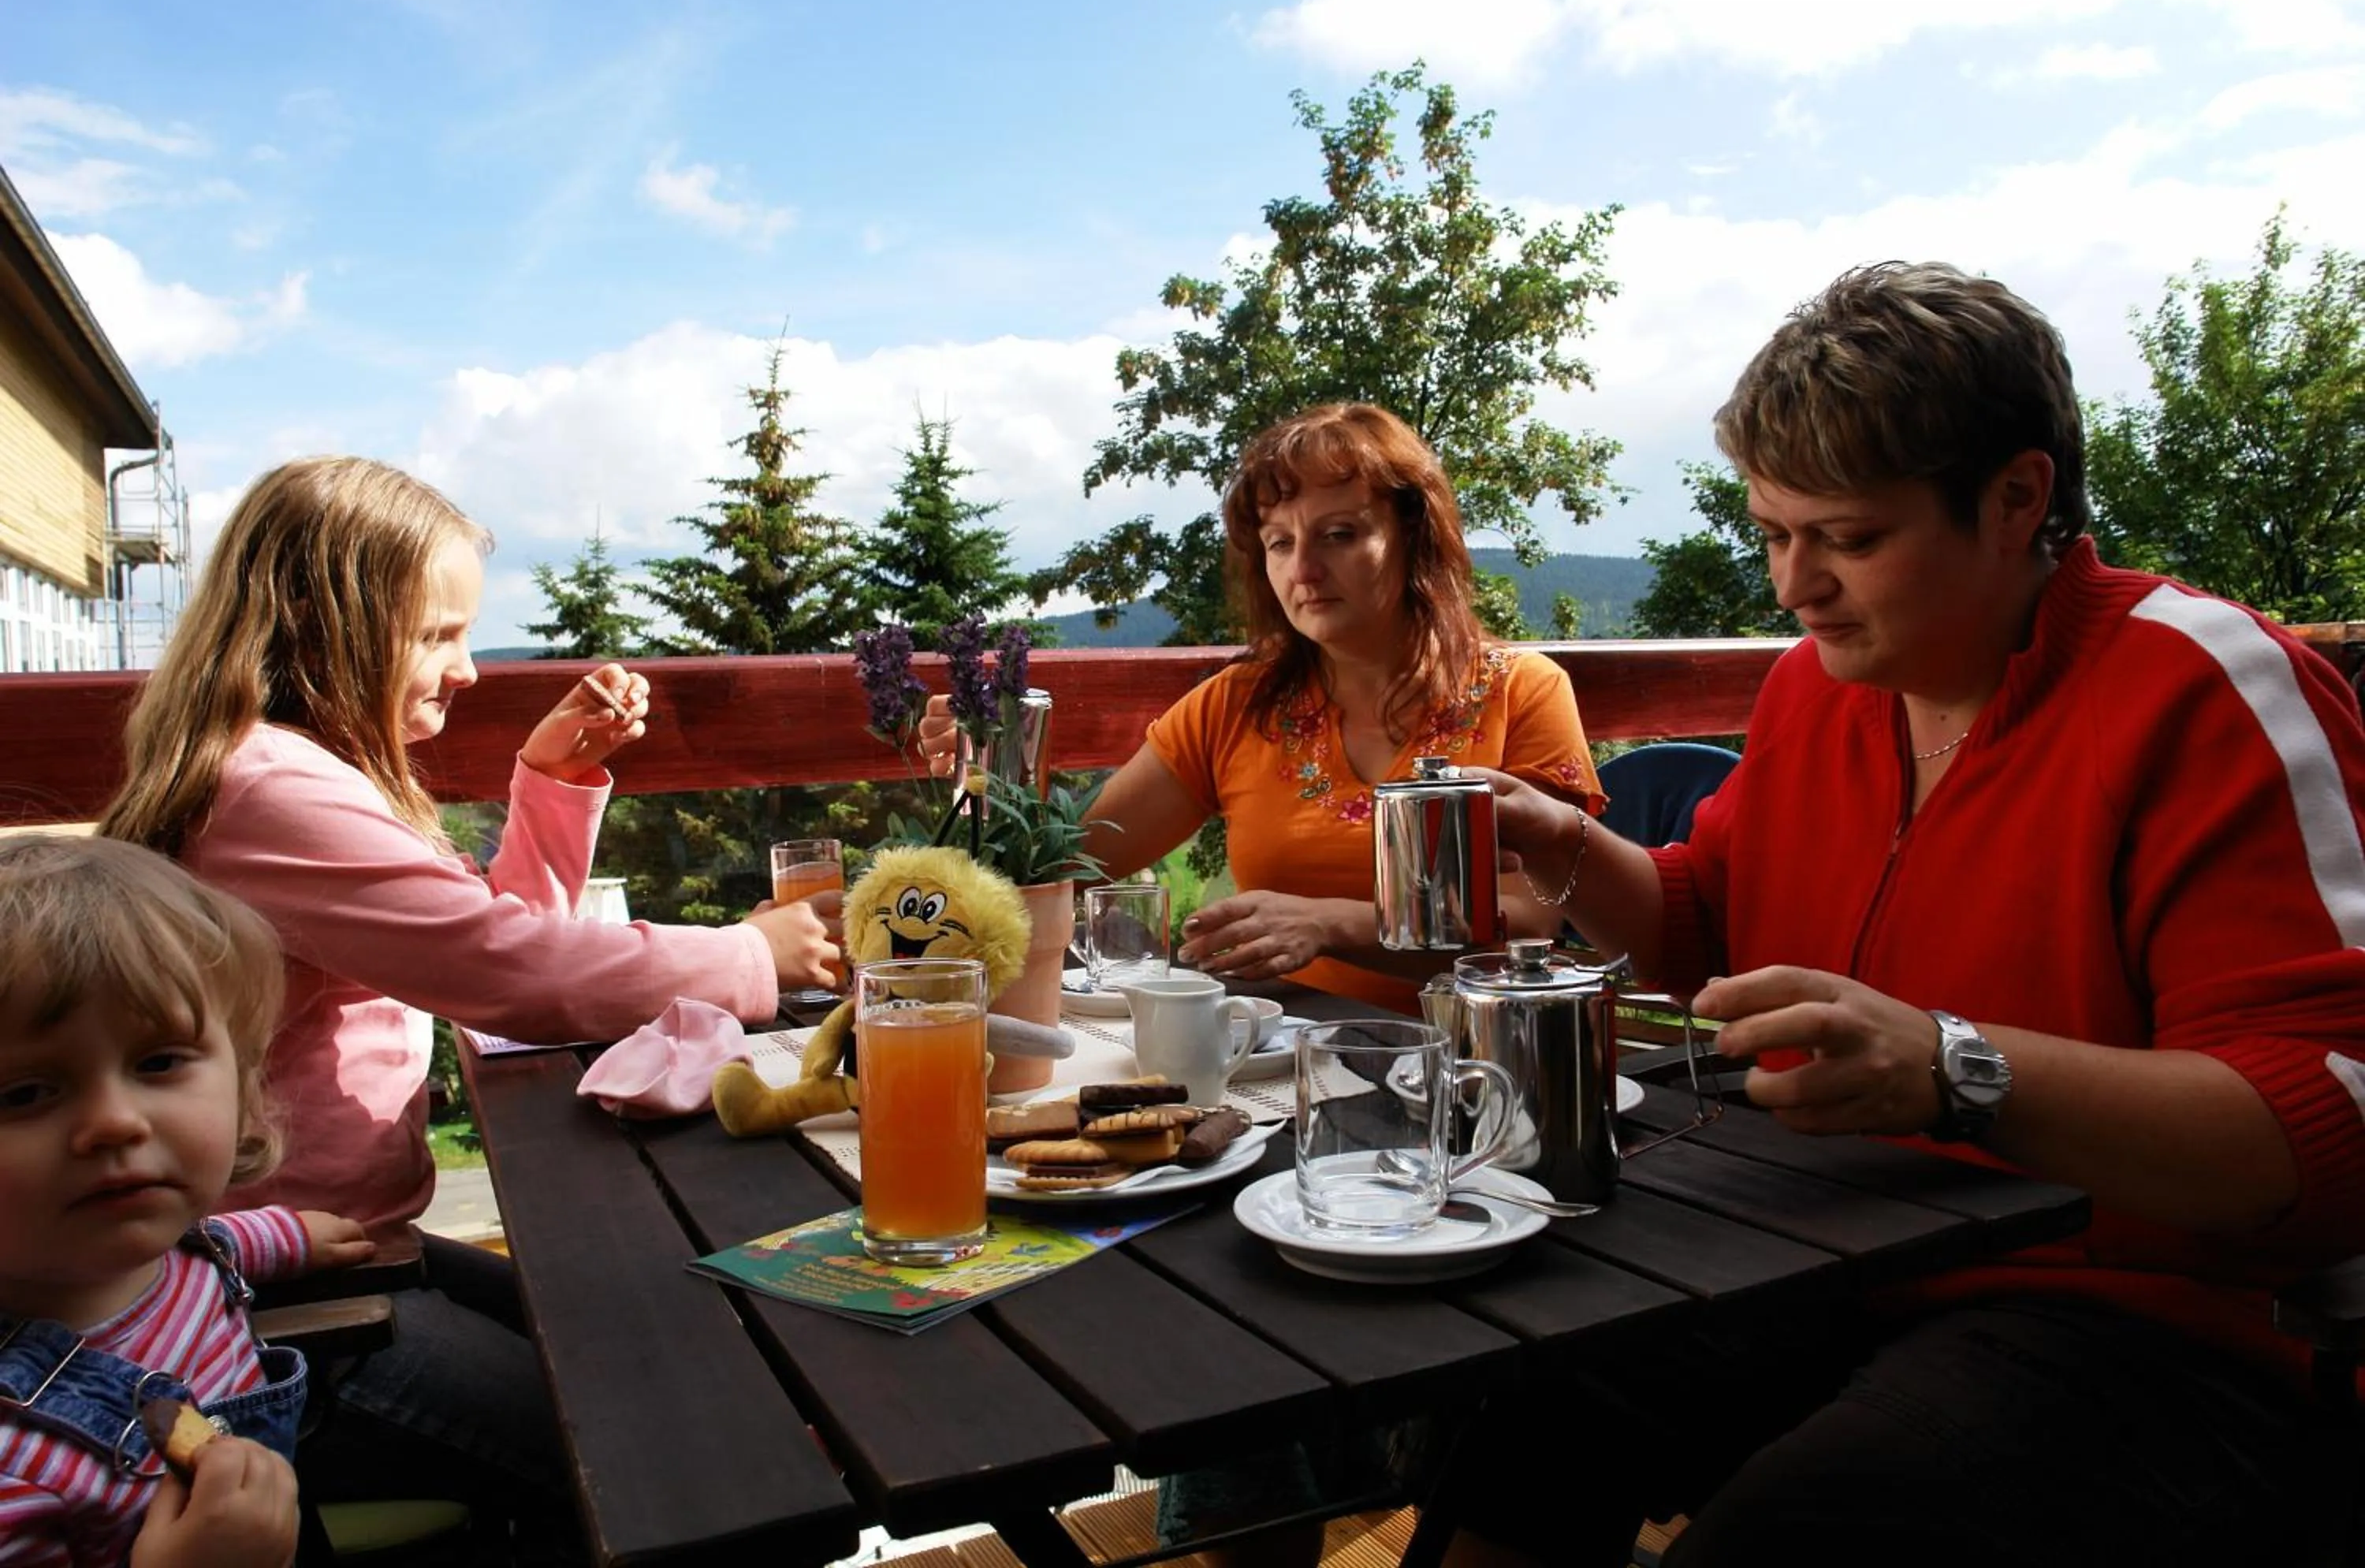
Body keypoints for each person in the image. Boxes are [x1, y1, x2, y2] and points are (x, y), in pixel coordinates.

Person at [1458, 262, 2365, 1566]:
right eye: (1771, 533)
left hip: (2160, 1327)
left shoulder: (2205, 693)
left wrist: (1957, 1073)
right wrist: (1577, 854)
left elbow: (2332, 1118)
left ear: (2016, 500)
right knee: (1517, 1420)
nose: (1793, 586)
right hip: (1829, 1248)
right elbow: (1712, 920)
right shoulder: (1817, 695)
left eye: (1849, 538)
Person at [98, 455, 838, 1552]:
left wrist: (551, 782)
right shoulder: (272, 791)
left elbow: (473, 955)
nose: (471, 670)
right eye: (439, 636)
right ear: (325, 626)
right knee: (696, 1458)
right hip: (266, 1318)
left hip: (328, 1252)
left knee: (663, 1346)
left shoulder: (286, 769)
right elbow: (509, 972)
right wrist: (748, 954)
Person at [935, 401, 1603, 1016]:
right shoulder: (1235, 706)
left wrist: (1328, 924)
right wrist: (987, 787)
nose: (1303, 568)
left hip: (1479, 1068)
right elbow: (1067, 869)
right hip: (1284, 1060)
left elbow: (1529, 926)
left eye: (1339, 534)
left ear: (1413, 535)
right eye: (1280, 542)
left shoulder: (1522, 691)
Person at [0, 833, 375, 1567]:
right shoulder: (15, 1463)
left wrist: (287, 1237)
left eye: (158, 1061)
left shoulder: (157, 1243)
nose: (115, 1121)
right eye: (23, 1093)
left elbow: (212, 1249)